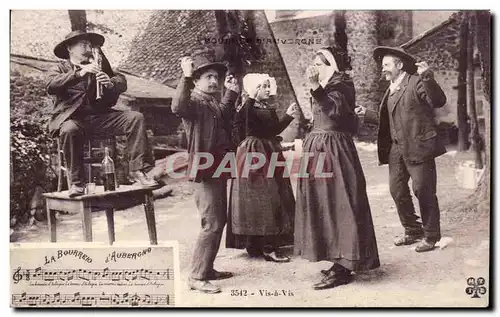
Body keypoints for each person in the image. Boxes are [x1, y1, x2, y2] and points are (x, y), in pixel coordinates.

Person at [294, 46, 380, 290]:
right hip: (319, 148)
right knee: (324, 203)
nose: (314, 69)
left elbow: (338, 113)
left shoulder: (341, 85)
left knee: (340, 202)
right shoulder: (326, 86)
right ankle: (336, 259)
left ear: (331, 66)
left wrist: (315, 88)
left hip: (334, 149)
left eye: (319, 65)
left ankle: (344, 265)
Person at [356, 46, 447, 253]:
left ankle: (432, 236)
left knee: (423, 190)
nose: (383, 69)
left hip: (419, 145)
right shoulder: (391, 88)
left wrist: (427, 76)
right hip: (397, 149)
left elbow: (438, 101)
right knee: (397, 190)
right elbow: (391, 121)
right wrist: (367, 114)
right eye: (382, 66)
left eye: (386, 65)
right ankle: (413, 229)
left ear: (399, 65)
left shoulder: (416, 81)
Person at [46, 30, 158, 197]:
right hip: (74, 120)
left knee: (136, 118)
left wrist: (111, 83)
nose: (88, 47)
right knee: (69, 130)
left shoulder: (98, 64)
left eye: (90, 45)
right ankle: (77, 183)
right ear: (70, 48)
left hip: (100, 118)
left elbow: (121, 81)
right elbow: (50, 85)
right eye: (83, 44)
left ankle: (138, 170)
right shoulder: (60, 68)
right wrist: (80, 73)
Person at [171, 50, 239, 294]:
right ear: (197, 80)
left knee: (218, 220)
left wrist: (231, 93)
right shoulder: (193, 102)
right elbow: (177, 107)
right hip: (203, 169)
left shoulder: (210, 102)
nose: (214, 81)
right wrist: (185, 77)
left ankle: (207, 268)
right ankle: (197, 275)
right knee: (211, 222)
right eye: (208, 76)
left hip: (217, 167)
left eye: (216, 77)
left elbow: (224, 115)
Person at [225, 73, 301, 262]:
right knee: (262, 197)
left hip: (268, 151)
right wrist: (250, 96)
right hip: (254, 154)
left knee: (271, 195)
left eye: (268, 86)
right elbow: (244, 124)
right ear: (254, 89)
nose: (268, 90)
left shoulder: (265, 107)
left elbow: (272, 130)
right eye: (263, 86)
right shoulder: (247, 108)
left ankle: (263, 244)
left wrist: (288, 117)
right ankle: (263, 246)